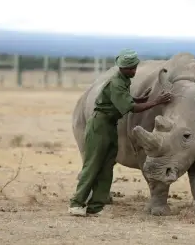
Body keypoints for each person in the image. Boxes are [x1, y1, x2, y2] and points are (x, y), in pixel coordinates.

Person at [68, 49, 173, 217]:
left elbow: (122, 100)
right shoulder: (116, 82)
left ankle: (96, 206)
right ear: (121, 68)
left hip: (110, 125)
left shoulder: (124, 80)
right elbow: (130, 108)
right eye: (129, 68)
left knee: (107, 166)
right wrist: (156, 102)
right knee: (93, 165)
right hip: (99, 125)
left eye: (134, 68)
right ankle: (77, 203)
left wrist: (140, 99)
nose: (133, 71)